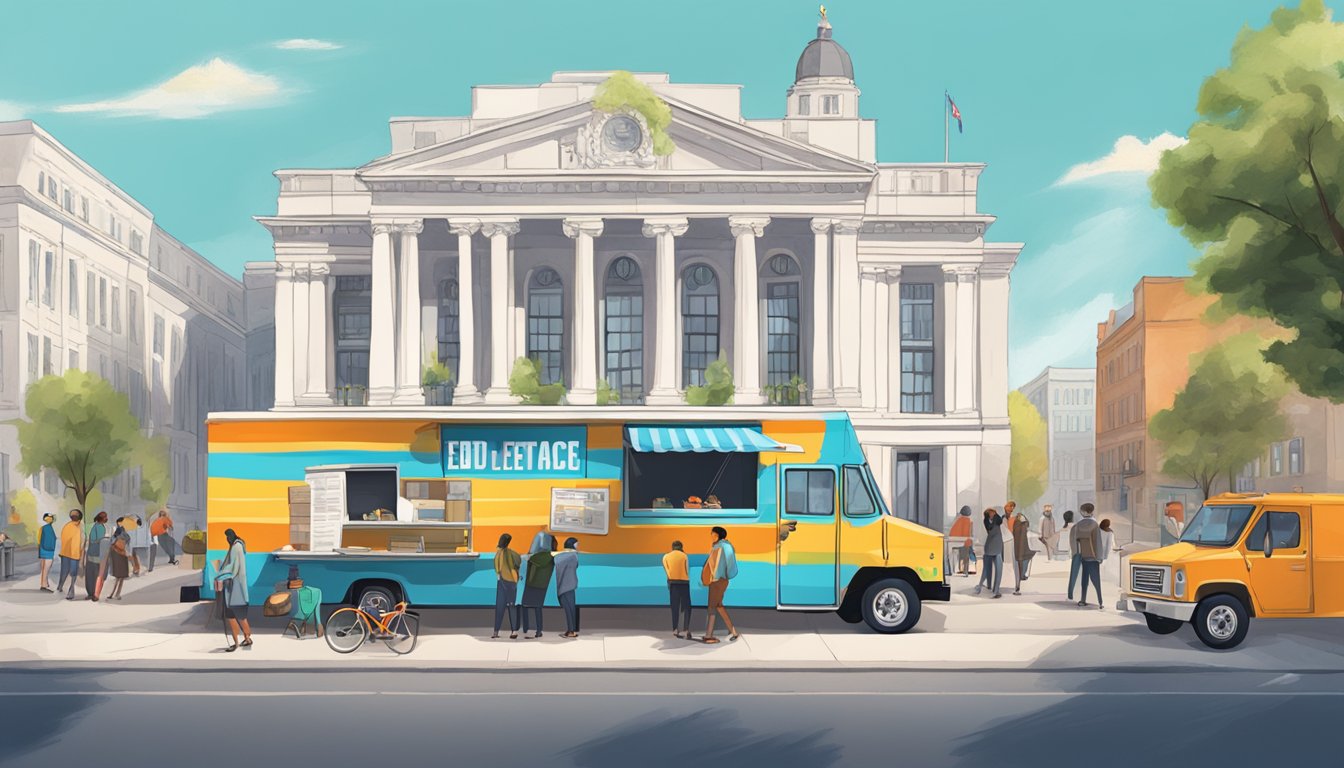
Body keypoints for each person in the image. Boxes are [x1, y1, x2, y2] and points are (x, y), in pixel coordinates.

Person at [215, 528, 252, 651]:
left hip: (233, 588)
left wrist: (220, 573)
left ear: (231, 536)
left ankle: (236, 643)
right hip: (239, 588)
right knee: (241, 616)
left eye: (228, 536)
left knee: (231, 616)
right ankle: (247, 639)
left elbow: (233, 568)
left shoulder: (236, 547)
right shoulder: (239, 545)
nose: (227, 539)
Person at [702, 526, 740, 643]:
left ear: (718, 535)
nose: (711, 536)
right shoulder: (717, 546)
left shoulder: (725, 546)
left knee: (712, 607)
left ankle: (709, 635)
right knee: (718, 606)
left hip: (719, 580)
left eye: (713, 534)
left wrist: (725, 576)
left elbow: (730, 563)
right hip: (715, 580)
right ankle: (733, 632)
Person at [520, 532, 556, 638]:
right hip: (543, 586)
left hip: (531, 584)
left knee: (525, 606)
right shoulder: (551, 557)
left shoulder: (533, 558)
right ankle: (539, 630)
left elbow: (525, 561)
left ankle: (525, 628)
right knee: (538, 608)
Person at [1072, 503, 1103, 607]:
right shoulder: (1095, 525)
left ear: (1082, 512)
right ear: (1092, 511)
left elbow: (1076, 541)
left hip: (1083, 556)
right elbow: (1097, 542)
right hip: (1093, 557)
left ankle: (1082, 599)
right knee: (1096, 580)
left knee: (1084, 580)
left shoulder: (1078, 525)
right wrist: (1099, 557)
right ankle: (1100, 601)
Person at [492, 533, 521, 639]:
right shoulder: (511, 553)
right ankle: (513, 631)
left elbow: (497, 570)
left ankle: (496, 632)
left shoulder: (498, 554)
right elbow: (518, 562)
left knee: (500, 607)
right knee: (512, 606)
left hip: (501, 582)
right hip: (511, 582)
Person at [663, 540, 692, 638]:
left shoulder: (666, 557)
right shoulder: (684, 556)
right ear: (681, 547)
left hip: (673, 583)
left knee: (674, 606)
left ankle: (675, 629)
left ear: (672, 547)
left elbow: (667, 571)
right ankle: (686, 629)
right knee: (687, 606)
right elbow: (687, 570)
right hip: (684, 583)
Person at [974, 507, 1004, 598]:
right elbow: (988, 532)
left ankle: (996, 590)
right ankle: (982, 586)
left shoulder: (998, 521)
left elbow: (995, 528)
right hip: (990, 546)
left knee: (999, 569)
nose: (992, 514)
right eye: (990, 513)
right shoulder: (986, 522)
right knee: (986, 569)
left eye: (993, 512)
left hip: (997, 546)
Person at [554, 538, 580, 638]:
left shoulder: (561, 557)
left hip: (564, 586)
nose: (578, 547)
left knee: (569, 609)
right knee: (570, 609)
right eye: (576, 545)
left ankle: (571, 631)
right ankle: (571, 630)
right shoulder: (574, 556)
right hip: (570, 586)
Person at [57, 510, 84, 600]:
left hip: (75, 554)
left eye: (75, 514)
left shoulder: (81, 527)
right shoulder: (67, 526)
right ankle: (59, 587)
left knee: (73, 572)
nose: (73, 516)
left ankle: (71, 590)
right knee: (64, 572)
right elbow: (64, 540)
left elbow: (83, 541)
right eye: (72, 514)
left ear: (79, 516)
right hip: (66, 553)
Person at [1008, 503, 1033, 595]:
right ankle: (1019, 581)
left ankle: (1018, 583)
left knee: (1018, 564)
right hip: (1019, 547)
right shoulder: (1022, 521)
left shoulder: (1011, 520)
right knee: (1024, 559)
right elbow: (1027, 526)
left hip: (1014, 546)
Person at [84, 512, 108, 601]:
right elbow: (96, 540)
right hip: (96, 554)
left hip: (93, 553)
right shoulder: (100, 527)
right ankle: (93, 593)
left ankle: (92, 593)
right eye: (105, 517)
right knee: (95, 574)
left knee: (92, 575)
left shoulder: (96, 526)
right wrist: (104, 539)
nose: (106, 518)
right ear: (101, 518)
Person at [105, 518, 131, 601]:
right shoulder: (121, 532)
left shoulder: (117, 532)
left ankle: (114, 594)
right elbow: (127, 540)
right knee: (120, 576)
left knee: (118, 576)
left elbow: (111, 542)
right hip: (120, 554)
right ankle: (115, 594)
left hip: (117, 554)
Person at [949, 507, 975, 576]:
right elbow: (969, 534)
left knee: (958, 556)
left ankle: (956, 569)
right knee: (966, 557)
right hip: (965, 543)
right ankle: (965, 571)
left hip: (955, 542)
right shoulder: (969, 522)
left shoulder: (958, 521)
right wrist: (971, 544)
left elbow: (952, 532)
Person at [38, 514, 57, 592]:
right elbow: (50, 541)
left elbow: (39, 539)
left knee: (43, 569)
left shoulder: (42, 528)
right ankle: (44, 586)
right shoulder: (48, 528)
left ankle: (44, 584)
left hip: (42, 550)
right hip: (48, 551)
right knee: (46, 569)